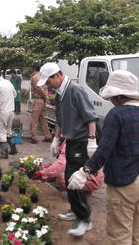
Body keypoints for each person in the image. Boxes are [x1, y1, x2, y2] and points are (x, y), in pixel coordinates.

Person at [68, 70, 139, 244]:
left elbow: (104, 150)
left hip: (128, 180)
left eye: (111, 97)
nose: (110, 100)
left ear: (118, 96)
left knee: (120, 234)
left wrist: (84, 171)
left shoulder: (117, 114)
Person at [38, 62, 97, 237]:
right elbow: (60, 121)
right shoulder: (59, 94)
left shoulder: (75, 90)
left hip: (81, 140)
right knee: (68, 176)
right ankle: (75, 210)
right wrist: (56, 139)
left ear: (57, 75)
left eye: (48, 82)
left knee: (75, 177)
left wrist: (92, 140)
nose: (48, 86)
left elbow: (90, 117)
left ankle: (85, 219)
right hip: (70, 140)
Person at [35, 140, 103, 194]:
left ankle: (78, 192)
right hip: (95, 177)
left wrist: (41, 174)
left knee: (61, 176)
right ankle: (85, 189)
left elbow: (61, 164)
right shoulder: (82, 136)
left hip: (90, 179)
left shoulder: (71, 142)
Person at [0, 69, 17, 158]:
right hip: (11, 110)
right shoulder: (8, 82)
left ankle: (4, 154)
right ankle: (13, 150)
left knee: (1, 133)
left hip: (2, 112)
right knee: (9, 131)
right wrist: (8, 100)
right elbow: (15, 94)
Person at [30, 63, 52, 144]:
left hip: (38, 100)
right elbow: (46, 88)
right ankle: (48, 136)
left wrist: (45, 97)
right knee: (43, 119)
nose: (30, 69)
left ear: (34, 68)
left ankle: (34, 138)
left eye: (31, 68)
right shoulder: (42, 77)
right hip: (42, 101)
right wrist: (45, 97)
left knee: (34, 120)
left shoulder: (35, 77)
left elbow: (38, 88)